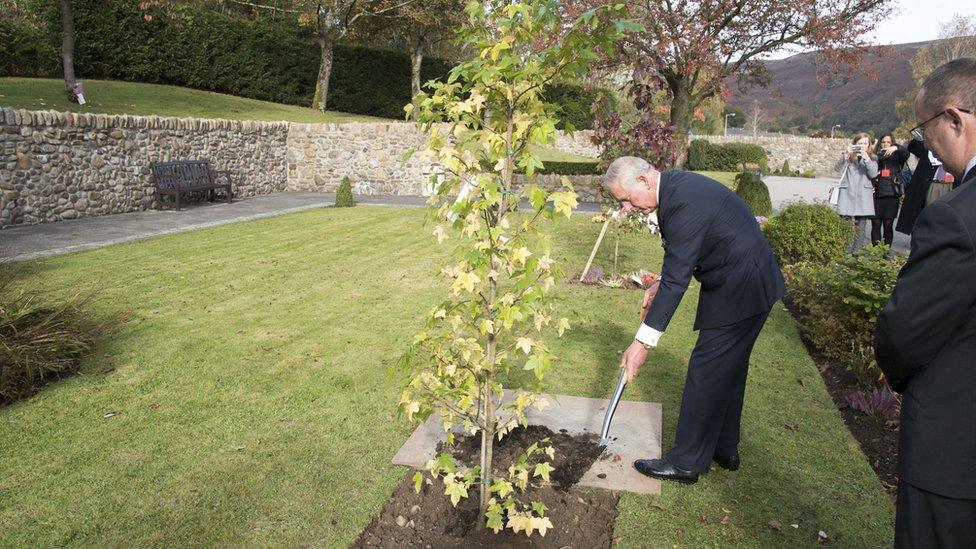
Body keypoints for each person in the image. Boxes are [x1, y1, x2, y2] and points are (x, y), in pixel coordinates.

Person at [602, 157, 785, 485]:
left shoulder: (681, 202)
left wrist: (641, 344)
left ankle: (686, 463)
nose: (627, 208)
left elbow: (677, 283)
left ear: (644, 181)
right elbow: (681, 260)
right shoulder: (675, 190)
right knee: (730, 367)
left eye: (627, 199)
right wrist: (660, 281)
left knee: (707, 370)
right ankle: (724, 447)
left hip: (743, 287)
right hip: (748, 281)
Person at [874, 57, 976, 547]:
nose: (925, 143)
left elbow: (904, 331)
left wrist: (896, 373)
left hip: (956, 446)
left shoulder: (958, 217)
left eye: (924, 127)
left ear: (955, 119)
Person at [834, 133, 878, 252]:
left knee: (861, 227)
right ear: (855, 144)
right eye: (860, 143)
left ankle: (857, 253)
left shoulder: (872, 157)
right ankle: (845, 251)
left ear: (869, 145)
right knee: (846, 225)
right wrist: (845, 155)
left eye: (865, 143)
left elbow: (873, 174)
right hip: (848, 192)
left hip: (863, 193)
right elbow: (838, 169)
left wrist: (866, 159)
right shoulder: (849, 156)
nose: (862, 146)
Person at [896, 137, 940, 235]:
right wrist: (921, 133)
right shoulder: (927, 145)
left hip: (951, 183)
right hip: (930, 184)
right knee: (926, 215)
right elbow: (912, 147)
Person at [871, 134, 908, 246]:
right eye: (883, 142)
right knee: (876, 224)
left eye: (888, 142)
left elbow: (906, 153)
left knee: (888, 225)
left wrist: (896, 148)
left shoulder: (898, 155)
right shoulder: (876, 155)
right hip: (876, 192)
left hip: (892, 192)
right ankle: (875, 251)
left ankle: (885, 251)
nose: (885, 144)